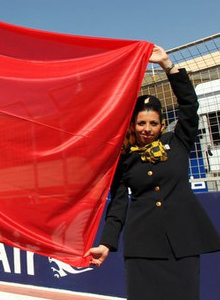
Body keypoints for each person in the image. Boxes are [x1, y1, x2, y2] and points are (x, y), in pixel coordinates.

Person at [85, 45, 220, 300]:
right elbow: (118, 204)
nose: (147, 129)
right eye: (141, 123)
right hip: (143, 247)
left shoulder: (178, 142)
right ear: (133, 125)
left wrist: (168, 66)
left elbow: (189, 106)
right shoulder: (124, 158)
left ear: (161, 125)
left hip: (183, 243)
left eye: (153, 123)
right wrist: (106, 243)